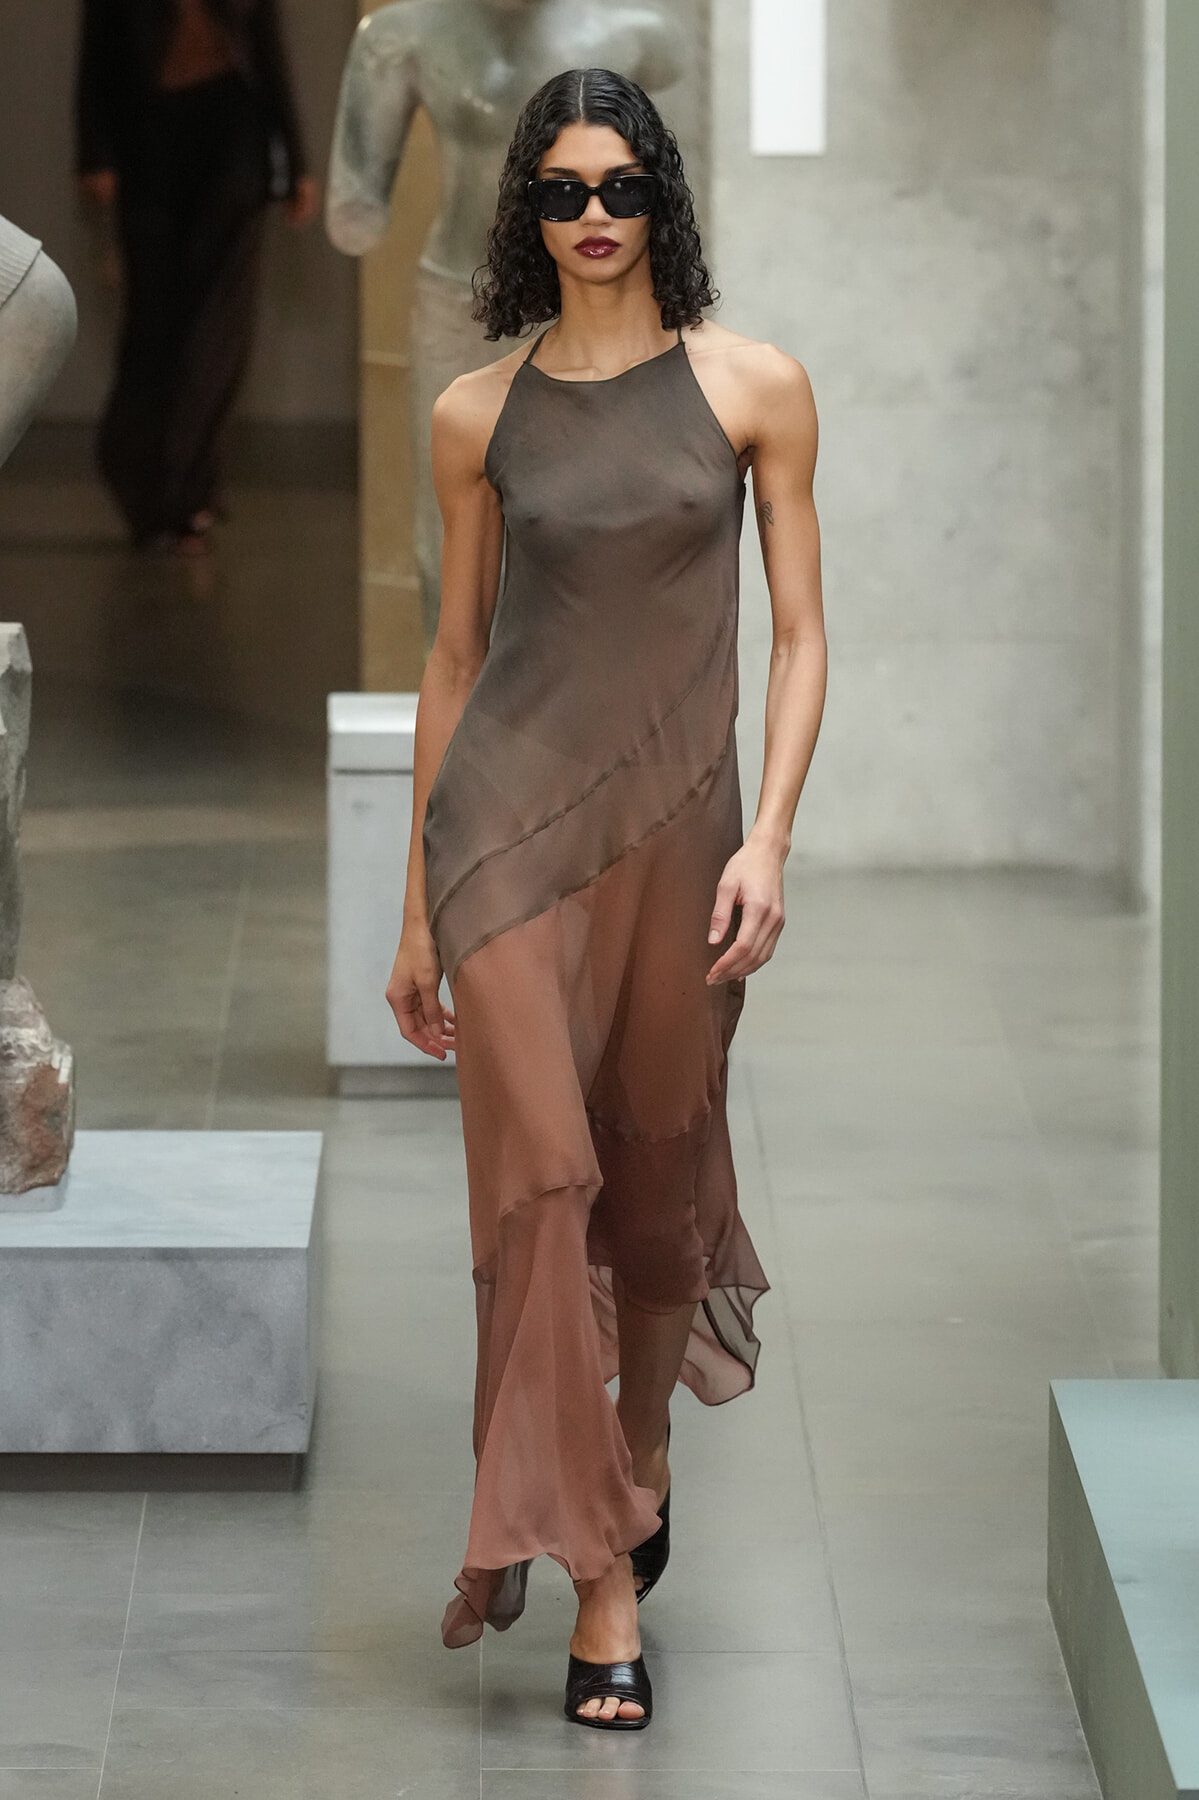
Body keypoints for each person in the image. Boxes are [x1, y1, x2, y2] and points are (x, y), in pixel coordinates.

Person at [385, 67, 827, 1731]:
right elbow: (450, 659)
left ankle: (632, 1449)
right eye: (562, 192)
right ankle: (602, 1582)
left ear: (664, 204)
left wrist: (769, 835)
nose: (590, 219)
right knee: (545, 1186)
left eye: (619, 189)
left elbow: (797, 633)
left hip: (679, 838)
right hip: (504, 836)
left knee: (650, 1190)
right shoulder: (475, 415)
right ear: (528, 214)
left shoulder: (753, 388)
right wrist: (419, 909)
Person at [75, 0, 318, 555]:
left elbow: (267, 47)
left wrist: (295, 162)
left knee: (219, 324)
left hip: (234, 132)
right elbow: (97, 52)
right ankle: (143, 481)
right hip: (149, 135)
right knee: (154, 315)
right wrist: (94, 154)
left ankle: (189, 493)